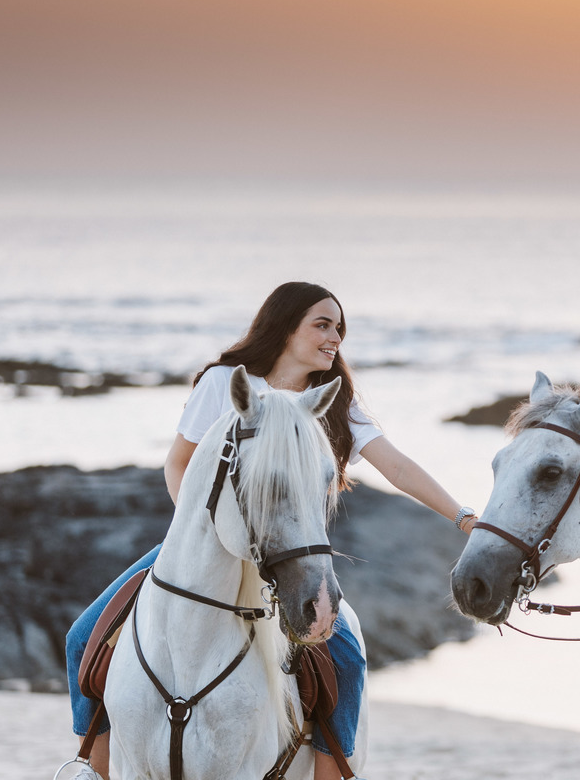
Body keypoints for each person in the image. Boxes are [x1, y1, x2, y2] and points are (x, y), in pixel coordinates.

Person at [65, 281, 477, 780]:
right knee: (84, 635)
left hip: (285, 558)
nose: (335, 338)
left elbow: (397, 466)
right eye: (322, 325)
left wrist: (462, 516)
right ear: (285, 328)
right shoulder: (225, 383)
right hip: (201, 546)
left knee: (344, 655)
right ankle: (94, 767)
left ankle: (331, 772)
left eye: (340, 328)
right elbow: (178, 464)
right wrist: (199, 532)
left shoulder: (331, 400)